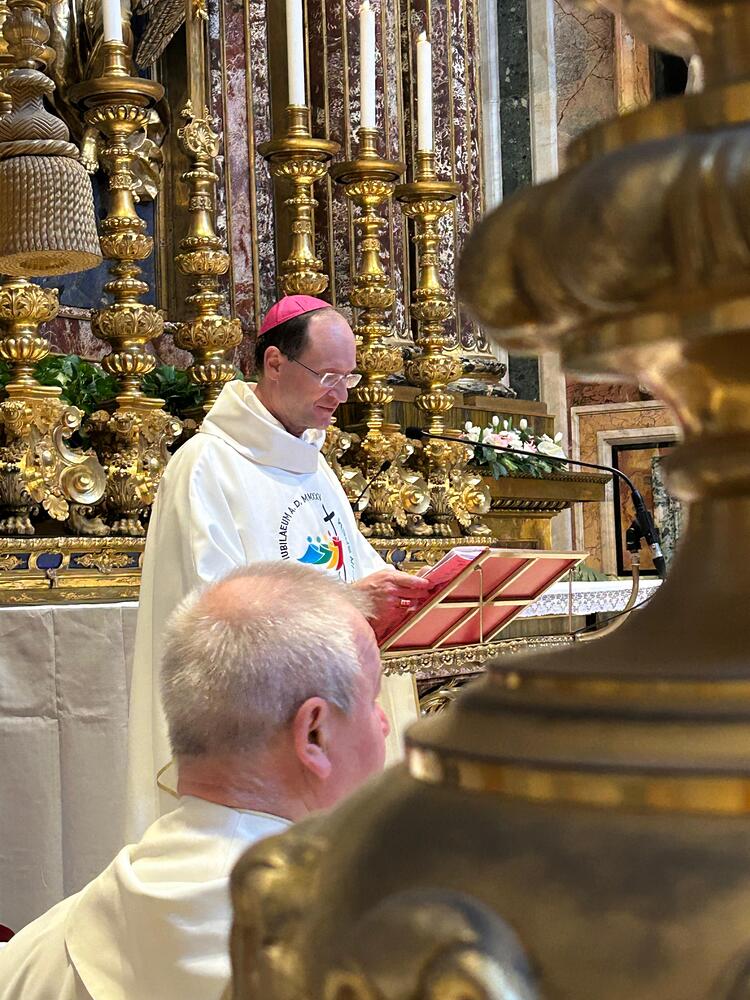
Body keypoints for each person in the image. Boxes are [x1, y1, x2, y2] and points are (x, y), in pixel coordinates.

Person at [0, 562, 388, 1000]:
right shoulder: (352, 965)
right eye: (373, 699)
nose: (385, 723)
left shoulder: (38, 949)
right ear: (314, 734)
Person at [126, 294, 432, 841]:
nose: (341, 395)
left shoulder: (313, 466)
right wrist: (349, 603)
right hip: (257, 736)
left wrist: (407, 594)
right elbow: (215, 617)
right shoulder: (206, 466)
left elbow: (354, 567)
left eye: (349, 378)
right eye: (329, 376)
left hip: (324, 723)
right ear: (274, 363)